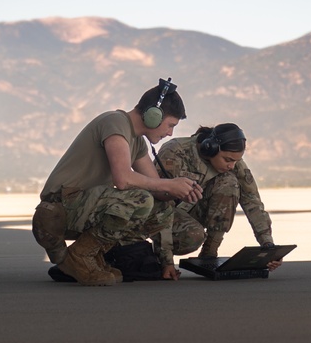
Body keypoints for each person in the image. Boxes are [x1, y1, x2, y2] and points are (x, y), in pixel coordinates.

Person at [32, 78, 202, 286]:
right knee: (139, 199)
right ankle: (80, 255)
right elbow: (123, 179)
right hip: (61, 207)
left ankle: (94, 254)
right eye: (170, 125)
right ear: (153, 116)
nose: (170, 133)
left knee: (160, 208)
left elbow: (156, 188)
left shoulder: (137, 141)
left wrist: (181, 188)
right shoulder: (115, 123)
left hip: (85, 208)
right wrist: (168, 185)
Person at [154, 123, 282, 271]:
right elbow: (160, 205)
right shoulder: (175, 152)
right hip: (158, 216)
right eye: (227, 160)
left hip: (190, 211)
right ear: (210, 148)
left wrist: (269, 247)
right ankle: (152, 252)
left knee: (229, 182)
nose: (232, 166)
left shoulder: (233, 162)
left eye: (235, 161)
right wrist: (166, 261)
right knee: (192, 236)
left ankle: (209, 252)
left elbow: (252, 201)